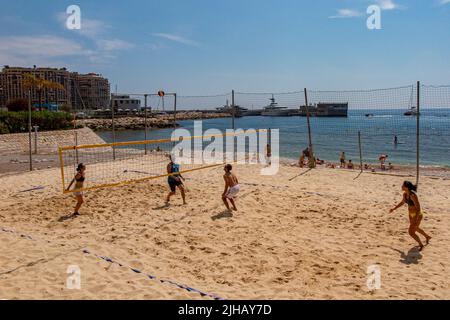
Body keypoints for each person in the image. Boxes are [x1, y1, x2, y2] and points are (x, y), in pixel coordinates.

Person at [389, 181, 431, 251]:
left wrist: (415, 218)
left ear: (407, 187)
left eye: (403, 185)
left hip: (417, 215)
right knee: (416, 228)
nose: (401, 186)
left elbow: (418, 208)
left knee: (411, 232)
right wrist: (394, 208)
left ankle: (421, 245)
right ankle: (427, 237)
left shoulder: (413, 195)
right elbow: (402, 202)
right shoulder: (405, 194)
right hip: (410, 214)